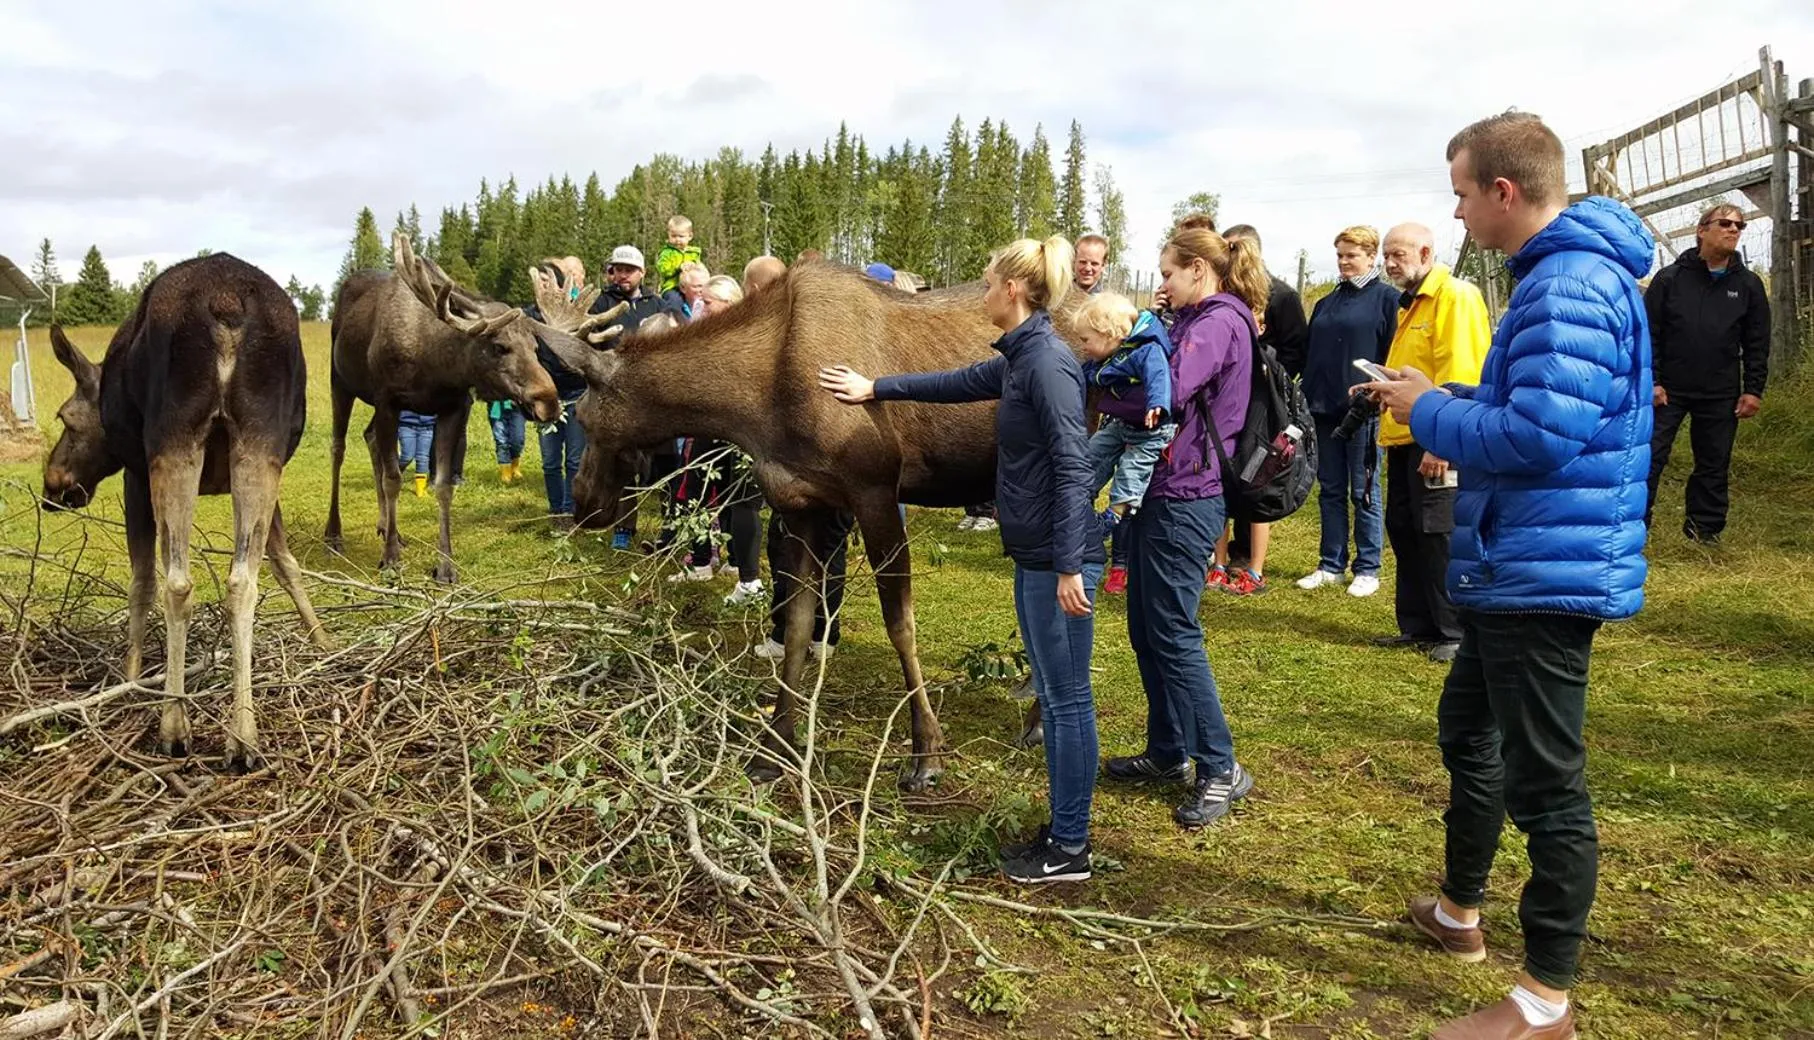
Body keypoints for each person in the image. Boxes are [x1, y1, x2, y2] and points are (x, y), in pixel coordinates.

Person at [1366, 111, 1653, 1040]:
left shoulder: (1569, 284)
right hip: (1515, 559)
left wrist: (1430, 417)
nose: (1454, 215)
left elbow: (1539, 437)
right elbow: (1521, 405)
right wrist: (1440, 400)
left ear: (1502, 191)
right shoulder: (1554, 279)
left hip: (1547, 567)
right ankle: (1458, 913)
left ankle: (1544, 1004)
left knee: (1546, 784)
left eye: (1459, 193)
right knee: (1469, 730)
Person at [819, 235, 1104, 885]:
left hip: (1057, 560)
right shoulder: (1018, 357)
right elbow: (954, 382)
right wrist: (875, 386)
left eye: (984, 285)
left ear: (1012, 291)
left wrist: (1068, 565)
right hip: (1037, 553)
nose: (977, 296)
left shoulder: (1049, 365)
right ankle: (1064, 833)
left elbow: (1072, 464)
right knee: (1061, 700)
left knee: (1066, 703)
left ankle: (1069, 847)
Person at [1102, 221, 1268, 830]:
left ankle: (1221, 766)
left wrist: (1100, 385)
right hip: (1162, 488)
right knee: (1147, 627)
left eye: (1169, 273)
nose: (1163, 285)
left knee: (1173, 630)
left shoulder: (1219, 320)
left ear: (1200, 270)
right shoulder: (1195, 321)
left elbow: (1165, 391)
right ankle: (1169, 750)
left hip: (1187, 494)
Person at [1376, 223, 1491, 663]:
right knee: (1405, 529)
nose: (1389, 263)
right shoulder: (1411, 302)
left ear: (1426, 252)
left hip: (1436, 438)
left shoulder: (1454, 297)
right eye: (1387, 255)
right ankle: (1418, 624)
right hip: (1405, 435)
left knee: (1439, 532)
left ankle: (1454, 630)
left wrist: (1442, 441)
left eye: (1398, 254)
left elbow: (1460, 373)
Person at [1644, 201, 1771, 544]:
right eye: (1725, 223)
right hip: (1667, 389)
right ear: (1702, 230)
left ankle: (1704, 531)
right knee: (1649, 457)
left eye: (1739, 226)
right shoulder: (1670, 279)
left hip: (1721, 391)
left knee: (1714, 463)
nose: (1733, 230)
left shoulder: (1748, 286)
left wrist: (1753, 389)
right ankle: (1634, 526)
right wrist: (1652, 381)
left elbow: (1757, 341)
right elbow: (1648, 334)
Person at [1294, 226, 1401, 598]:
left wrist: (1379, 394)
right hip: (1323, 409)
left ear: (1371, 257)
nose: (1344, 262)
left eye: (1351, 255)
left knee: (1365, 490)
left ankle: (1368, 567)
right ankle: (1331, 563)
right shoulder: (1326, 303)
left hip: (1364, 410)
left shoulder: (1388, 300)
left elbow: (1393, 354)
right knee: (1331, 489)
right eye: (1340, 255)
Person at [1219, 225, 1308, 580]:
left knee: (1258, 468)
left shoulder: (1282, 296)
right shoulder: (1223, 292)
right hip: (1229, 398)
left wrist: (1267, 374)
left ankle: (1249, 556)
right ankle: (1221, 556)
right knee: (1230, 467)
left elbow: (1296, 350)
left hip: (1263, 399)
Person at [1075, 292, 1175, 596]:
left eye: (1086, 339)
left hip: (1151, 430)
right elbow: (1085, 376)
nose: (1083, 346)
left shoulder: (1147, 349)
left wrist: (1157, 404)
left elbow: (1159, 377)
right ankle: (1080, 493)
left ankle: (1114, 515)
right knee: (1093, 452)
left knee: (1131, 473)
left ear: (1109, 335)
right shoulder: (1110, 354)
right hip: (1120, 424)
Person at [530, 257, 592, 529]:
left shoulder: (578, 313)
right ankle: (555, 509)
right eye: (540, 281)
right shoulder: (529, 315)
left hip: (577, 395)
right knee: (550, 461)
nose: (544, 286)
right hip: (546, 398)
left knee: (576, 459)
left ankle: (570, 511)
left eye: (549, 280)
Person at [655, 215, 702, 295]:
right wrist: (678, 268)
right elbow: (663, 270)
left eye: (681, 236)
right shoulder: (666, 252)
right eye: (673, 236)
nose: (677, 239)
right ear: (668, 235)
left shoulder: (694, 253)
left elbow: (700, 270)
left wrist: (694, 266)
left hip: (691, 287)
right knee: (674, 301)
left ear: (690, 236)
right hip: (672, 287)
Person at [397, 409, 436, 499]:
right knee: (407, 456)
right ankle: (392, 476)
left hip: (427, 427)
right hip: (406, 425)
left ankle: (420, 490)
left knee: (423, 458)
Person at [487, 399, 525, 485]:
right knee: (501, 441)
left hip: (517, 408)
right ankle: (505, 470)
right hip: (496, 407)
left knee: (518, 439)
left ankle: (515, 467)